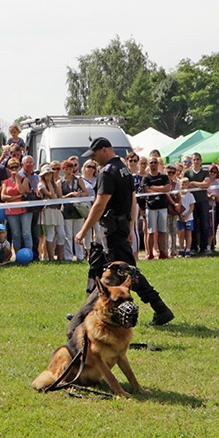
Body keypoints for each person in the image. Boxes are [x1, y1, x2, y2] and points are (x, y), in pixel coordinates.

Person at [75, 137, 175, 326]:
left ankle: (160, 308)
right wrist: (129, 227)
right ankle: (87, 312)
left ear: (105, 150)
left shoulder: (108, 172)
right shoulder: (124, 170)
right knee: (96, 267)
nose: (94, 160)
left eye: (95, 155)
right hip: (115, 227)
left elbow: (99, 204)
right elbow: (132, 199)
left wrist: (83, 230)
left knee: (128, 272)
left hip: (111, 230)